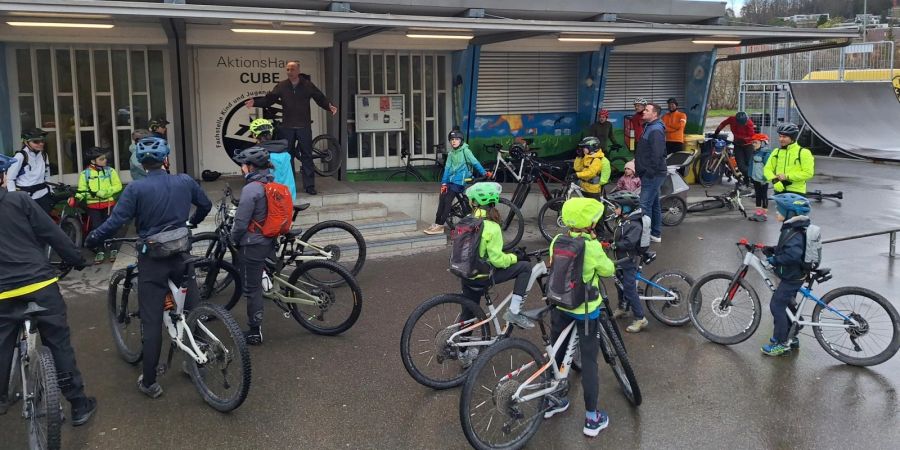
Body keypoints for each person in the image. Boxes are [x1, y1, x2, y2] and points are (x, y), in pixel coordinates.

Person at [84, 137, 212, 399]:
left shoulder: (136, 189)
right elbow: (206, 206)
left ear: (142, 163)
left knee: (152, 320)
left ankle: (150, 381)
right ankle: (196, 360)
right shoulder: (185, 181)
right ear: (166, 159)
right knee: (193, 309)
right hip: (181, 254)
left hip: (153, 260)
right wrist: (190, 224)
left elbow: (116, 222)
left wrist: (93, 238)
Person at [0, 154, 97, 425]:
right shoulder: (19, 200)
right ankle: (78, 404)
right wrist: (76, 259)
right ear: (3, 178)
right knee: (58, 343)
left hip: (2, 295)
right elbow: (52, 234)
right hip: (39, 284)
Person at [543, 197, 614, 437]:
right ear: (590, 223)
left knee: (557, 351)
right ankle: (592, 419)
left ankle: (553, 400)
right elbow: (608, 270)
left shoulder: (556, 240)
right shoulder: (592, 247)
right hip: (585, 310)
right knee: (590, 362)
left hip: (559, 305)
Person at [245, 60, 338, 196]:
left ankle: (309, 186)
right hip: (287, 127)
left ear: (298, 70)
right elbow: (269, 100)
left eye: (292, 69)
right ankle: (289, 183)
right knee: (287, 156)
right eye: (288, 69)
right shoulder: (282, 86)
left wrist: (328, 106)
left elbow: (320, 98)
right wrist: (255, 102)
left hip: (304, 126)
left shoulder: (307, 85)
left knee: (306, 155)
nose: (289, 72)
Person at [457, 182, 534, 330]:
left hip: (464, 273)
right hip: (481, 276)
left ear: (474, 202)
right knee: (525, 267)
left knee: (469, 313)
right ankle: (514, 311)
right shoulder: (492, 227)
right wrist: (515, 257)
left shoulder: (466, 220)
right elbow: (497, 261)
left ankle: (461, 349)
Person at [230, 146, 278, 345]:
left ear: (251, 167)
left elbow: (241, 223)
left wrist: (234, 238)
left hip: (253, 243)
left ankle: (254, 331)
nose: (242, 168)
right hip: (269, 239)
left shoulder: (251, 189)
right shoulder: (270, 182)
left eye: (243, 165)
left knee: (252, 288)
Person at [760, 193, 813, 356]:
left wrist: (775, 260)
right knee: (789, 306)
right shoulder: (793, 228)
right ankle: (792, 337)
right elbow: (787, 247)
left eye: (779, 209)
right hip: (794, 275)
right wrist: (773, 249)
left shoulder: (794, 232)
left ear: (791, 213)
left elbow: (792, 255)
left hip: (792, 277)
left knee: (777, 306)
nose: (776, 211)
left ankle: (781, 342)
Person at [423, 130, 488, 235]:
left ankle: (441, 226)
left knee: (448, 200)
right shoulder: (451, 154)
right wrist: (444, 183)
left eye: (456, 139)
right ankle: (436, 223)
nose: (454, 141)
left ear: (461, 141)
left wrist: (484, 173)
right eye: (452, 139)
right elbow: (447, 169)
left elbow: (475, 163)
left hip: (461, 181)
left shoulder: (465, 151)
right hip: (450, 181)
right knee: (442, 199)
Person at [608, 191, 650, 333]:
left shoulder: (634, 224)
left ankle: (640, 318)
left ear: (626, 208)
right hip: (621, 259)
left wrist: (614, 245)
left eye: (617, 206)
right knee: (618, 282)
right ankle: (622, 308)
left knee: (629, 288)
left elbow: (629, 243)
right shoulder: (624, 219)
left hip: (629, 260)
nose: (615, 209)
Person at [75, 147, 123, 264]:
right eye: (101, 159)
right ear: (93, 161)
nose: (105, 160)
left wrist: (106, 192)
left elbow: (118, 186)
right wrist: (77, 197)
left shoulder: (110, 171)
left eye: (105, 158)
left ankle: (113, 249)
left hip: (108, 204)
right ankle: (100, 250)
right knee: (96, 228)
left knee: (111, 227)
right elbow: (82, 190)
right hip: (93, 206)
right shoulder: (85, 174)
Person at [634, 103, 666, 243]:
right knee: (654, 204)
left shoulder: (655, 130)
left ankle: (643, 237)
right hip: (650, 173)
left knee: (644, 206)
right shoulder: (650, 127)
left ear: (654, 114)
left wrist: (649, 172)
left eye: (646, 110)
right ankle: (656, 234)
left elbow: (657, 154)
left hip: (652, 174)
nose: (643, 112)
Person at [6, 128, 53, 213]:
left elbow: (47, 174)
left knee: (44, 224)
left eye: (42, 141)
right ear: (26, 142)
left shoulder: (44, 155)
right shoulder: (20, 156)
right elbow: (10, 178)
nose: (40, 144)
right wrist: (13, 198)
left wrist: (50, 190)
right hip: (27, 197)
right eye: (36, 141)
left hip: (43, 195)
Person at [250, 118, 297, 202]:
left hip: (270, 202)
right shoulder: (284, 152)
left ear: (254, 135)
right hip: (289, 198)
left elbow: (253, 183)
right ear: (271, 134)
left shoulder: (257, 155)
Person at [763, 123, 814, 197]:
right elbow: (767, 169)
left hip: (796, 192)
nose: (781, 139)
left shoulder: (803, 152)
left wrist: (787, 176)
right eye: (780, 136)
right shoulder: (776, 151)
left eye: (784, 137)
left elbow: (808, 173)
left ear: (793, 138)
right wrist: (775, 181)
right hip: (779, 190)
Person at [714, 111, 756, 185]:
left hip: (748, 145)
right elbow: (723, 124)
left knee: (749, 163)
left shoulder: (749, 123)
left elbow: (751, 137)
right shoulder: (732, 119)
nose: (743, 124)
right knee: (741, 165)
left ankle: (751, 180)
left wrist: (742, 139)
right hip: (738, 145)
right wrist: (717, 132)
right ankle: (746, 178)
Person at [747, 133, 772, 222]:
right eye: (753, 143)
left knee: (763, 195)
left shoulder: (766, 153)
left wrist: (765, 178)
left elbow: (769, 167)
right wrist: (750, 175)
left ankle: (764, 214)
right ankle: (758, 213)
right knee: (757, 195)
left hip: (763, 179)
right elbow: (751, 165)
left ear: (763, 143)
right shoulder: (754, 152)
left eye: (756, 143)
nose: (753, 145)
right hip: (755, 178)